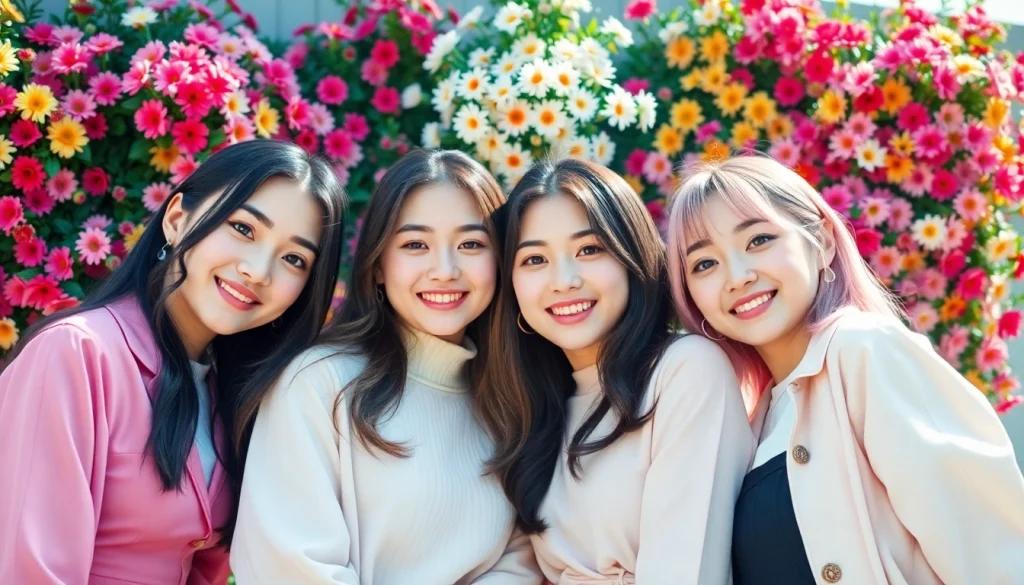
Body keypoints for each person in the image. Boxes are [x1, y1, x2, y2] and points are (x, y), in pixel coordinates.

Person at [666, 153, 1024, 584]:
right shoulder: (751, 424)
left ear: (823, 242)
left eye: (758, 240)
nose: (737, 276)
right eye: (705, 264)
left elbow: (993, 556)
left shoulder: (865, 352)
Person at [0, 139, 347, 584]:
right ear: (178, 218)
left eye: (294, 259)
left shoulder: (236, 398)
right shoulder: (76, 355)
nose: (259, 271)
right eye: (243, 229)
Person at [231, 149, 542, 584]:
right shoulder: (320, 383)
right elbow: (292, 568)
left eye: (471, 244)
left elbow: (519, 561)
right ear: (378, 265)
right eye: (415, 244)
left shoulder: (513, 401)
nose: (445, 270)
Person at [483, 158, 751, 584]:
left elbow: (686, 572)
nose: (564, 280)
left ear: (632, 258)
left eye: (589, 250)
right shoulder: (533, 410)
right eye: (535, 259)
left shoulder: (684, 372)